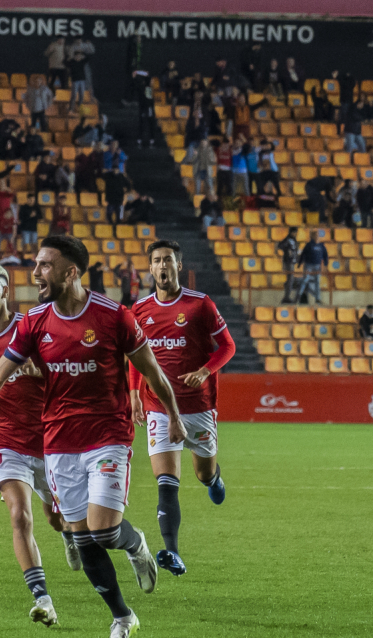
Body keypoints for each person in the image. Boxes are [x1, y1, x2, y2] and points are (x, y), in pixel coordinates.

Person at [0, 235, 180, 638]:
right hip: (58, 443)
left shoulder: (114, 316)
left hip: (107, 435)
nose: (36, 273)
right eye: (36, 265)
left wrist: (174, 415)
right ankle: (123, 616)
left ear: (70, 272)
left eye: (44, 265)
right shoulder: (34, 322)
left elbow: (153, 371)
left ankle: (135, 544)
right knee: (80, 536)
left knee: (103, 529)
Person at [0, 263, 77, 626]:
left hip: (50, 441)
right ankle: (43, 599)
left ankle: (68, 534)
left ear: (5, 290)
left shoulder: (34, 328)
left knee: (56, 518)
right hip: (5, 440)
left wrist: (39, 371)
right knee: (19, 515)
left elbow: (67, 373)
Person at [129, 241, 234, 577]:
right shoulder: (139, 310)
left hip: (198, 406)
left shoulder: (200, 304)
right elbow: (136, 356)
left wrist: (205, 370)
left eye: (168, 260)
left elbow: (228, 346)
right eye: (157, 260)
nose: (163, 265)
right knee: (166, 481)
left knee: (203, 473)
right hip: (158, 407)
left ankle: (214, 478)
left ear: (178, 265)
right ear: (150, 268)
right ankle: (172, 552)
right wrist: (133, 394)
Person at [297, 231, 327, 304]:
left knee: (317, 281)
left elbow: (325, 255)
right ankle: (299, 296)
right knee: (305, 280)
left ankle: (318, 299)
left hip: (317, 266)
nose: (317, 236)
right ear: (312, 236)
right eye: (315, 235)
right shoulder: (309, 245)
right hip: (308, 265)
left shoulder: (321, 246)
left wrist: (326, 264)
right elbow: (303, 254)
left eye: (317, 235)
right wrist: (300, 263)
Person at [277, 228, 299, 303]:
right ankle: (286, 297)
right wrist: (287, 250)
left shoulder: (294, 240)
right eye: (294, 232)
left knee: (291, 279)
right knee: (290, 279)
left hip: (292, 261)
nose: (295, 234)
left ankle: (287, 296)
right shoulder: (287, 239)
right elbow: (280, 245)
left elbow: (295, 250)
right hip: (288, 262)